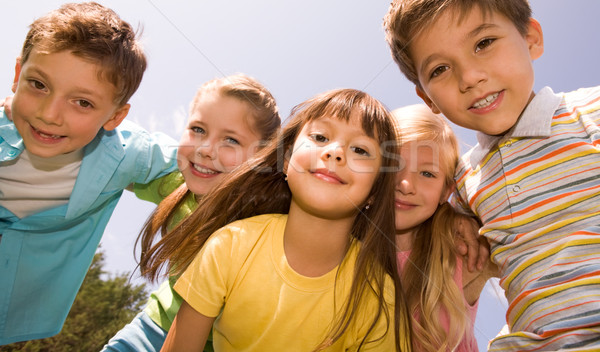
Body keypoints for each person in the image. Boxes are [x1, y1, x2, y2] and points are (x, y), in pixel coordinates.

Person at [383, 0, 600, 350]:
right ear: (426, 98)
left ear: (531, 37)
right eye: (440, 70)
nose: (470, 77)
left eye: (484, 43)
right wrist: (455, 220)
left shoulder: (589, 113)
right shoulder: (464, 184)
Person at [141, 88, 412, 351]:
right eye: (319, 137)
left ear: (375, 191)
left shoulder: (380, 298)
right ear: (286, 160)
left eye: (361, 151)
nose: (335, 152)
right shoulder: (230, 245)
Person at [0, 2, 178, 345]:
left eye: (82, 102)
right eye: (38, 84)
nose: (50, 114)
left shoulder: (124, 153)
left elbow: (197, 162)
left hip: (16, 305)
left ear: (114, 117)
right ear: (17, 74)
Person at [101, 74, 281, 352]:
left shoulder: (270, 219)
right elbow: (112, 156)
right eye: (198, 130)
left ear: (262, 156)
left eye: (230, 140)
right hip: (153, 328)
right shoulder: (176, 185)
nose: (206, 150)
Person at [393, 104, 497, 351]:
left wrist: (461, 212)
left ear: (446, 192)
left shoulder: (464, 253)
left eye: (428, 174)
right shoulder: (341, 244)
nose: (406, 184)